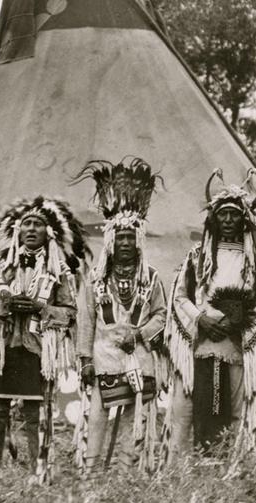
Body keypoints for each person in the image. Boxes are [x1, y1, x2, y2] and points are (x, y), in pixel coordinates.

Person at [164, 169, 256, 466]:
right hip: (199, 341)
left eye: (234, 214)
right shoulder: (197, 257)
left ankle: (234, 470)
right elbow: (179, 297)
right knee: (185, 408)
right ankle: (179, 474)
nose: (228, 220)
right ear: (213, 219)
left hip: (239, 343)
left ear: (244, 219)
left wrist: (241, 323)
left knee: (237, 408)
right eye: (222, 214)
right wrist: (201, 318)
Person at [0, 196, 86, 481]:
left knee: (35, 411)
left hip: (37, 348)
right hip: (4, 346)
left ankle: (39, 468)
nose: (32, 229)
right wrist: (5, 307)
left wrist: (41, 308)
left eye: (38, 224)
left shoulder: (57, 271)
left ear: (47, 233)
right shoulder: (1, 266)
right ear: (18, 231)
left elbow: (69, 312)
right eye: (27, 224)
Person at [73, 158, 166, 475]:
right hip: (103, 359)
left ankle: (127, 473)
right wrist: (84, 359)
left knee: (133, 415)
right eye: (120, 237)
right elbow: (85, 320)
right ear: (110, 242)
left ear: (138, 241)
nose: (125, 243)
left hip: (138, 357)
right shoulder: (95, 280)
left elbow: (161, 315)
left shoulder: (151, 278)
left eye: (130, 237)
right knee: (97, 415)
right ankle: (92, 472)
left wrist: (139, 335)